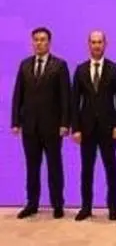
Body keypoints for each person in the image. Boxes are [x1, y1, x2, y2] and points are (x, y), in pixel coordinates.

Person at [11, 27, 70, 219]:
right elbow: (18, 95)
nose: (39, 43)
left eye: (43, 39)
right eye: (36, 39)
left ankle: (57, 204)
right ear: (32, 42)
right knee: (32, 167)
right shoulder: (25, 65)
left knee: (54, 166)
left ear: (49, 42)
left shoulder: (59, 66)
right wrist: (15, 121)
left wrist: (65, 123)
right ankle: (32, 203)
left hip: (52, 126)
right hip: (30, 126)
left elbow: (65, 97)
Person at [71, 31, 116, 221]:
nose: (96, 45)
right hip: (86, 129)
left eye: (99, 42)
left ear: (105, 44)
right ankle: (86, 207)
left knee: (111, 169)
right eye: (93, 42)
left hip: (108, 128)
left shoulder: (114, 69)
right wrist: (76, 128)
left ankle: (113, 207)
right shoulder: (80, 70)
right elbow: (74, 101)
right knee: (86, 170)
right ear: (89, 44)